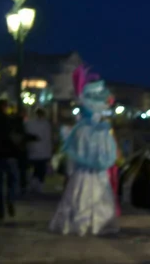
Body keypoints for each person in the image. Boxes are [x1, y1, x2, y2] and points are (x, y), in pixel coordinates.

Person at [49, 65, 118, 236]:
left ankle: (80, 224)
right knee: (96, 197)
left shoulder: (80, 130)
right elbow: (106, 153)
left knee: (78, 197)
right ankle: (96, 224)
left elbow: (75, 153)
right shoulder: (99, 130)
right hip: (97, 174)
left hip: (81, 174)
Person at [25, 108, 53, 192]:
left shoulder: (29, 123)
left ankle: (34, 183)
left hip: (33, 150)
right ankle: (39, 184)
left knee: (36, 168)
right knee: (41, 168)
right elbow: (48, 138)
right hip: (43, 151)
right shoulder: (46, 124)